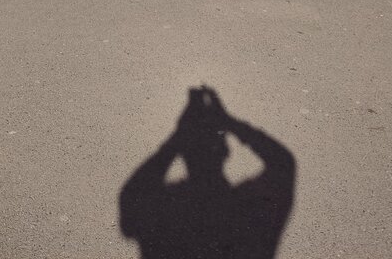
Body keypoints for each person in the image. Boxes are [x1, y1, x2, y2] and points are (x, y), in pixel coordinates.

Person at [119, 86, 296, 259]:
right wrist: (228, 121)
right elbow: (283, 163)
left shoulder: (166, 211)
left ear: (185, 153)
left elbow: (134, 192)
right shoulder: (247, 211)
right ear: (226, 151)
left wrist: (178, 137)